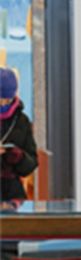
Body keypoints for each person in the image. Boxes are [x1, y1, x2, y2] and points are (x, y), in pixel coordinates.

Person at [1, 67, 37, 203]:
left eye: (7, 100)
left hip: (12, 194)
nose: (3, 105)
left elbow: (32, 164)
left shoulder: (21, 121)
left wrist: (19, 157)